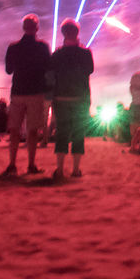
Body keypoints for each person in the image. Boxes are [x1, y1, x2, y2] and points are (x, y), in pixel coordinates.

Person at [0, 13, 51, 177]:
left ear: (23, 28)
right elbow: (48, 69)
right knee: (32, 130)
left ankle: (12, 164)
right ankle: (31, 165)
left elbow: (8, 70)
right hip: (36, 92)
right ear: (37, 28)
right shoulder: (42, 47)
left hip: (18, 92)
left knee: (14, 130)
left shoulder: (13, 47)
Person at [48, 19, 94, 180]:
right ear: (77, 33)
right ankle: (75, 169)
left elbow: (50, 74)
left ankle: (59, 169)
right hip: (80, 98)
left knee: (61, 133)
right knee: (78, 134)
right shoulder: (86, 52)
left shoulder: (57, 54)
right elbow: (90, 70)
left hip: (61, 98)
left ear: (63, 33)